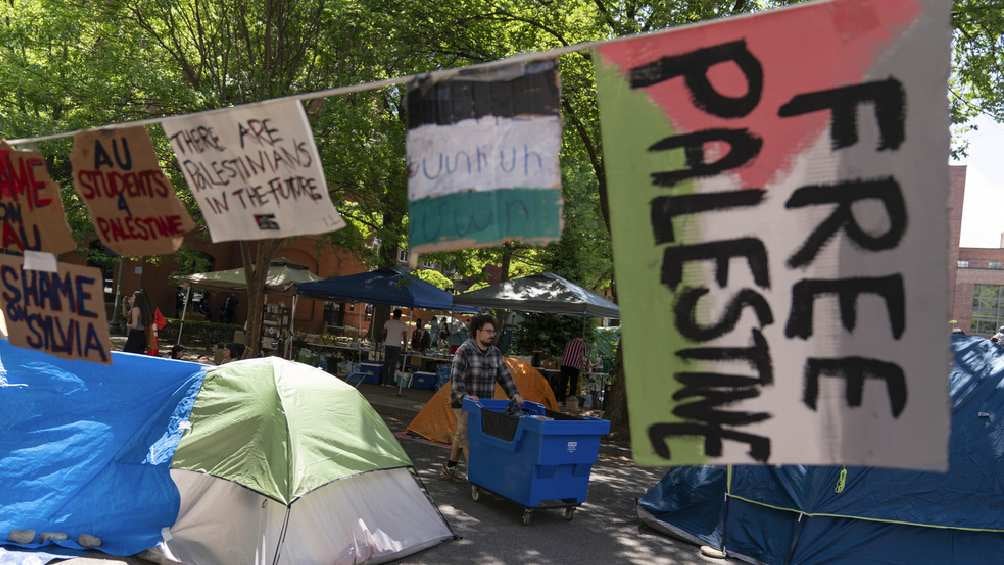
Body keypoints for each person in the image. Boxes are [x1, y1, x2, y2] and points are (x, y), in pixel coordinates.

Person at [441, 314, 522, 480]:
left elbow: (505, 377)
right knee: (468, 436)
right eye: (488, 331)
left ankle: (449, 468)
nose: (492, 335)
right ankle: (478, 477)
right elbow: (456, 382)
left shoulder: (495, 353)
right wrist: (466, 397)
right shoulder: (464, 351)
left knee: (461, 434)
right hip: (463, 403)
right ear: (478, 332)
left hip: (485, 404)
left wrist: (514, 394)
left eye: (494, 332)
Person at [559, 336, 588, 408]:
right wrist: (584, 367)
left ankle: (560, 401)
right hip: (574, 366)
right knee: (573, 385)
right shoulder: (583, 344)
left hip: (564, 365)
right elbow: (582, 357)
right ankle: (570, 403)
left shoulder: (569, 342)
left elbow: (564, 354)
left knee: (563, 384)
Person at [381, 309, 408, 386]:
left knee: (386, 363)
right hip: (397, 346)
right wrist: (405, 346)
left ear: (393, 314)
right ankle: (389, 383)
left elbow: (383, 333)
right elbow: (405, 336)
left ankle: (383, 382)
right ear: (400, 315)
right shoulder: (403, 324)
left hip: (388, 344)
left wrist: (383, 340)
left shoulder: (388, 322)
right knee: (393, 365)